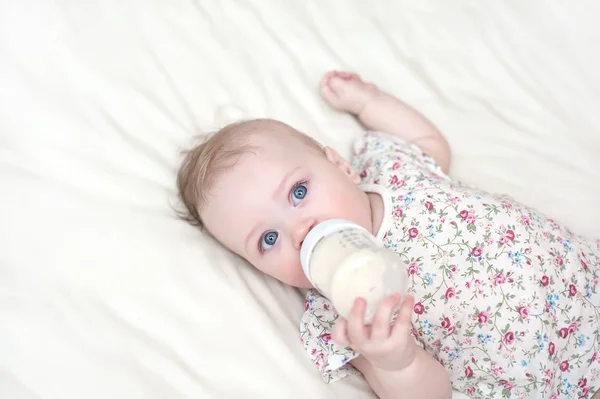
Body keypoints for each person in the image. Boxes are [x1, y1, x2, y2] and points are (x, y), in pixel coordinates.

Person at [176, 71, 600, 399]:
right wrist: (396, 363)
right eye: (267, 240)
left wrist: (369, 101)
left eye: (298, 192)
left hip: (587, 276)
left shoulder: (392, 171)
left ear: (340, 167)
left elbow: (428, 143)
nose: (299, 230)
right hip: (548, 380)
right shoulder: (343, 318)